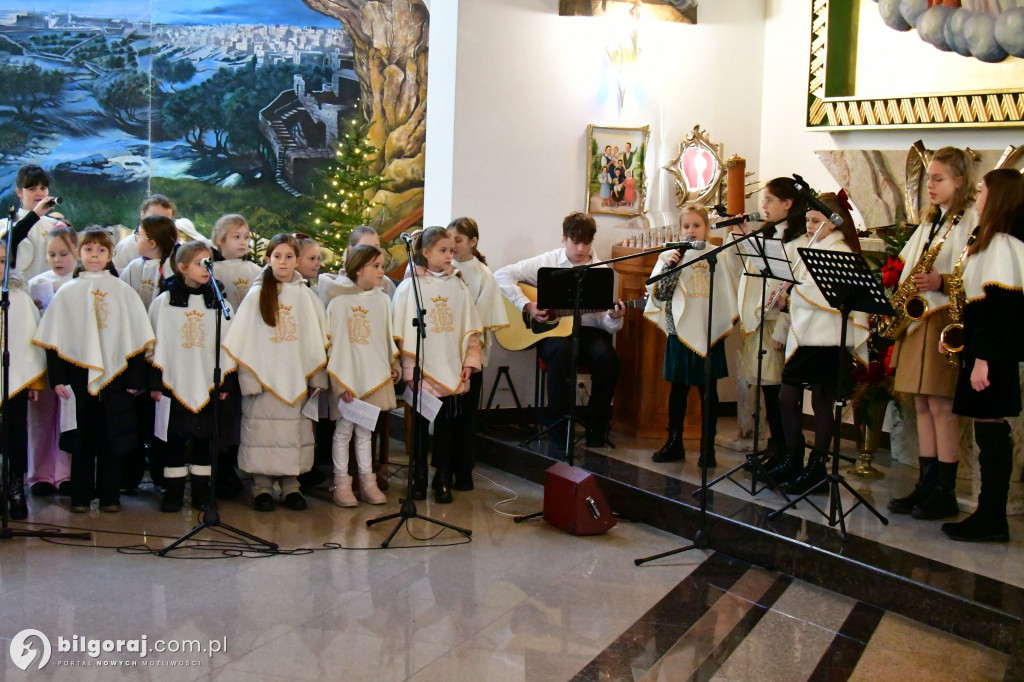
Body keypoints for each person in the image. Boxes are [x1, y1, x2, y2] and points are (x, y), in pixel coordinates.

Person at [33, 228, 155, 513]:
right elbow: (54, 339)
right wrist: (59, 378)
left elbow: (136, 339)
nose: (94, 255)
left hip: (116, 378)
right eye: (88, 249)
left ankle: (111, 496)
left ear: (111, 255)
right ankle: (81, 495)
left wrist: (134, 379)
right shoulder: (68, 291)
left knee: (112, 438)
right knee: (82, 438)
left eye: (101, 250)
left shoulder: (124, 292)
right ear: (79, 253)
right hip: (77, 376)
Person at [887, 147, 978, 520]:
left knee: (941, 406)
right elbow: (906, 265)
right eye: (929, 179)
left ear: (960, 181)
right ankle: (925, 484)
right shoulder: (929, 223)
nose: (931, 186)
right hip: (918, 320)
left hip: (944, 320)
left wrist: (943, 281)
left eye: (938, 179)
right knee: (921, 404)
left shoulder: (971, 220)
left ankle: (945, 490)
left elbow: (977, 274)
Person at [494, 211, 625, 447]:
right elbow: (502, 275)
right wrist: (527, 304)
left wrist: (614, 317)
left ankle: (597, 426)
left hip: (587, 333)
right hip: (554, 334)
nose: (581, 249)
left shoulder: (601, 270)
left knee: (608, 359)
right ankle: (557, 427)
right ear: (563, 238)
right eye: (576, 242)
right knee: (561, 352)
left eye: (586, 243)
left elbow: (605, 324)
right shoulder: (548, 261)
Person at [942, 169, 1024, 542]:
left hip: (992, 355)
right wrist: (959, 340)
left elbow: (1000, 311)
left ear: (999, 198)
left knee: (992, 433)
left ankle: (992, 517)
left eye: (981, 191)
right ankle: (987, 514)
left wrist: (982, 359)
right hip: (983, 351)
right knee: (987, 431)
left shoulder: (1004, 244)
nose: (977, 197)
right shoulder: (994, 241)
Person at [222, 234, 328, 512]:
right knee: (263, 434)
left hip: (296, 379)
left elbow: (316, 342)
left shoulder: (306, 296)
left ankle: (292, 486)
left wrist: (317, 378)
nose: (283, 262)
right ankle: (262, 487)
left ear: (296, 260)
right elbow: (243, 343)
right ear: (267, 259)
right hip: (263, 381)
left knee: (292, 434)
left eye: (289, 256)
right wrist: (248, 377)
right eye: (277, 256)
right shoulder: (257, 295)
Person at [776, 193, 869, 494]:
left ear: (833, 223)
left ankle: (816, 466)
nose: (809, 227)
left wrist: (790, 294)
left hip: (826, 338)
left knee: (815, 401)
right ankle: (795, 459)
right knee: (796, 398)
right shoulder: (814, 245)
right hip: (808, 335)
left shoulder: (838, 250)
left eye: (816, 221)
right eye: (807, 221)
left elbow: (825, 296)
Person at [393, 226, 482, 503]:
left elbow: (471, 331)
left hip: (452, 367)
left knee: (446, 426)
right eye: (442, 250)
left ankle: (441, 477)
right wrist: (410, 371)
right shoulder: (411, 287)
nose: (449, 255)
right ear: (426, 252)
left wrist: (470, 363)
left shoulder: (458, 285)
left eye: (451, 251)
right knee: (420, 426)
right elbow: (403, 334)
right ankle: (418, 476)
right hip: (422, 371)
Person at [147, 241, 238, 513]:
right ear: (182, 267)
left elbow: (229, 344)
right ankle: (173, 493)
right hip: (173, 382)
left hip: (207, 381)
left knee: (205, 439)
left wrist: (226, 382)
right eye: (199, 263)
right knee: (174, 439)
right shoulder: (164, 302)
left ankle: (202, 493)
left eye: (209, 263)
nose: (205, 269)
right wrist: (155, 383)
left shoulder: (218, 303)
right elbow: (154, 345)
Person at [644, 203, 738, 467]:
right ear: (680, 229)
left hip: (709, 332)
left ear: (706, 229)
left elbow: (726, 294)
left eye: (697, 226)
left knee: (709, 391)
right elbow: (660, 295)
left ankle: (708, 448)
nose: (691, 231)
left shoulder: (716, 255)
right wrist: (672, 266)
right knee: (678, 389)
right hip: (680, 331)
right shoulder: (671, 256)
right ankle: (675, 442)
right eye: (686, 226)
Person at [728, 178, 807, 482]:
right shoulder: (772, 235)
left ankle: (788, 451)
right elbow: (756, 270)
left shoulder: (797, 241)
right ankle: (775, 447)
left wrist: (783, 328)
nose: (764, 207)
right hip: (763, 316)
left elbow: (793, 288)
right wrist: (742, 235)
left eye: (770, 201)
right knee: (766, 386)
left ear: (788, 204)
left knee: (778, 390)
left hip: (779, 322)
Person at [322, 244, 397, 507]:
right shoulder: (339, 303)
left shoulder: (383, 301)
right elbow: (335, 345)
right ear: (358, 268)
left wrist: (390, 363)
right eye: (375, 266)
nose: (381, 271)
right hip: (347, 379)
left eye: (382, 266)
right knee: (343, 431)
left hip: (373, 375)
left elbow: (385, 338)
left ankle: (368, 482)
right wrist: (340, 380)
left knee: (366, 431)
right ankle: (342, 483)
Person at [448, 217, 510, 488]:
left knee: (466, 414)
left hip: (469, 354)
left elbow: (481, 318)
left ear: (473, 242)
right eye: (449, 241)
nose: (452, 246)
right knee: (445, 414)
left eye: (458, 241)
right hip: (443, 351)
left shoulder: (483, 274)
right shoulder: (441, 269)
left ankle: (463, 472)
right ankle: (442, 468)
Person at [26, 227, 77, 498]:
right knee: (41, 418)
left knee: (67, 417)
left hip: (71, 359)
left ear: (77, 253)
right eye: (51, 254)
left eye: (64, 254)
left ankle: (65, 474)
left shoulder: (82, 282)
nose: (57, 260)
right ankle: (40, 474)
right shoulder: (36, 284)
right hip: (43, 360)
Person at [0, 238, 47, 519]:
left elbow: (30, 339)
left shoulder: (17, 296)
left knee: (15, 434)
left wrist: (32, 380)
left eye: (5, 261)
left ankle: (15, 489)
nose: (1, 267)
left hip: (13, 380)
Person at [2, 165, 62, 280]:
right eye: (32, 189)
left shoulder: (55, 224)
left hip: (50, 292)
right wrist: (35, 215)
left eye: (43, 188)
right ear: (19, 192)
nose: (39, 193)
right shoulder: (6, 224)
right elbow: (7, 243)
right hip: (18, 292)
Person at [120, 214, 179, 308]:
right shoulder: (134, 267)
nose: (136, 240)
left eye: (139, 236)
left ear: (152, 243)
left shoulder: (173, 268)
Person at [209, 214, 262, 310]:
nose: (243, 242)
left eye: (246, 237)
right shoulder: (212, 270)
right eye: (237, 237)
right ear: (221, 240)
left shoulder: (256, 270)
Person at [112, 195, 177, 271]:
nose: (159, 224)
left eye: (165, 220)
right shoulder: (126, 247)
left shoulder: (177, 250)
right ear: (142, 216)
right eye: (153, 218)